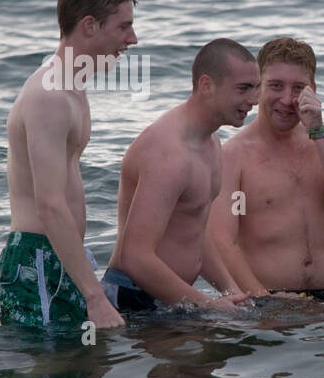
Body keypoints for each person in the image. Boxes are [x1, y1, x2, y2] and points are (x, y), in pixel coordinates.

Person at [0, 0, 136, 330]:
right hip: (37, 261)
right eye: (123, 27)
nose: (132, 39)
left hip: (59, 259)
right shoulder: (50, 95)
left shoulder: (72, 86)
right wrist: (95, 297)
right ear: (89, 25)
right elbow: (50, 203)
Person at [101, 38, 261, 312]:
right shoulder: (169, 153)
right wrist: (208, 306)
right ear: (207, 86)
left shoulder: (211, 144)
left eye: (256, 88)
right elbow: (134, 257)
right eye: (244, 89)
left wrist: (233, 292)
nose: (254, 99)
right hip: (133, 298)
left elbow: (195, 231)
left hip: (175, 299)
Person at [207, 37, 324, 302]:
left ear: (313, 90)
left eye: (298, 88)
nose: (286, 98)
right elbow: (221, 241)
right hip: (265, 304)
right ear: (258, 88)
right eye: (276, 86)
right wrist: (264, 302)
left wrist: (318, 132)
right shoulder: (234, 156)